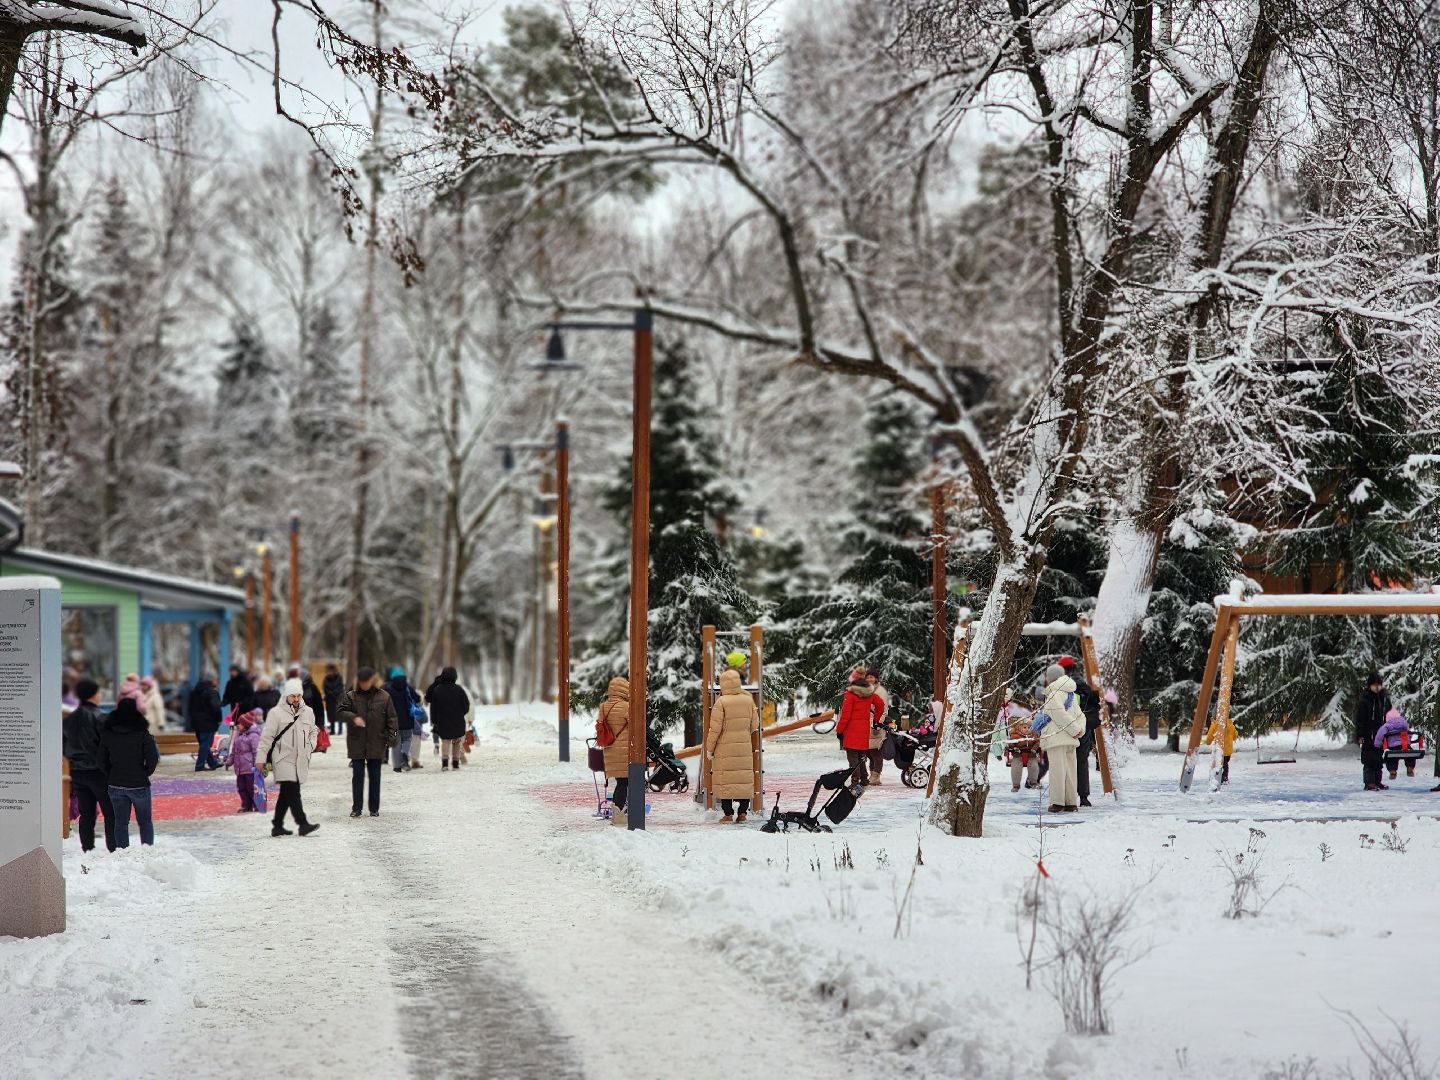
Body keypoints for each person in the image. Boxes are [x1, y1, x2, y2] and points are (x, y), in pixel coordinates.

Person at [255, 678, 320, 837]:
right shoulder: (275, 713)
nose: (296, 699)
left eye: (298, 695)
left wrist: (310, 745)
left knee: (286, 793)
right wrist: (260, 758)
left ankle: (277, 826)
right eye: (293, 696)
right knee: (293, 790)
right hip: (282, 758)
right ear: (286, 695)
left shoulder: (308, 712)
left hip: (300, 758)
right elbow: (267, 738)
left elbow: (313, 731)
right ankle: (303, 824)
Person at [97, 696, 160, 848]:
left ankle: (123, 853)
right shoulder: (143, 734)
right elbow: (153, 758)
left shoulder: (108, 735)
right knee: (145, 821)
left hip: (116, 784)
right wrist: (145, 772)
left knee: (120, 822)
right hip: (139, 784)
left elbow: (101, 760)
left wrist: (110, 774)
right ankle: (147, 850)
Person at [63, 678, 116, 853]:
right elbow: (109, 745)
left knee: (86, 813)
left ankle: (87, 847)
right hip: (99, 772)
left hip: (77, 771)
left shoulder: (69, 720)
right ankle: (113, 847)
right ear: (94, 695)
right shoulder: (101, 717)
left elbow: (64, 745)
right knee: (110, 812)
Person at [339, 667, 399, 817]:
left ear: (373, 680)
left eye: (366, 681)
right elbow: (340, 712)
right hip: (356, 741)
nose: (364, 684)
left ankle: (374, 808)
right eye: (361, 682)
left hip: (376, 741)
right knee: (358, 774)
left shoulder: (384, 697)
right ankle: (356, 808)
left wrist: (392, 738)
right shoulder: (351, 696)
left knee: (375, 776)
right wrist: (353, 717)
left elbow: (392, 719)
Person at [706, 667, 760, 823]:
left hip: (724, 748)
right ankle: (743, 813)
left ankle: (728, 814)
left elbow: (714, 729)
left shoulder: (721, 702)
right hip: (743, 746)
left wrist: (710, 749)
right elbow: (754, 724)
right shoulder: (748, 700)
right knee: (742, 779)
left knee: (726, 781)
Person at [1036, 664, 1085, 813]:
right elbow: (1080, 715)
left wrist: (1074, 729)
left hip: (1056, 737)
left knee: (1057, 770)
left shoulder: (1053, 693)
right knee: (1070, 770)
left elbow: (1057, 714)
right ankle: (1071, 802)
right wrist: (1079, 730)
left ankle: (1057, 802)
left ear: (1050, 677)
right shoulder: (1069, 693)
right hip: (1070, 738)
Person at [1057, 656, 1102, 807]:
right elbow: (1095, 703)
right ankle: (1083, 796)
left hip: (1066, 727)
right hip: (1084, 726)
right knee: (1081, 761)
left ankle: (1064, 796)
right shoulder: (1084, 684)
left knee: (1063, 761)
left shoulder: (1063, 686)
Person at [836, 670, 885, 786]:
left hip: (851, 730)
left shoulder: (850, 695)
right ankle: (864, 778)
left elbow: (845, 715)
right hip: (863, 729)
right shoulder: (870, 694)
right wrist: (876, 720)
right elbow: (881, 705)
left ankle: (855, 781)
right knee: (861, 755)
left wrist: (839, 730)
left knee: (852, 757)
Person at [599, 676, 631, 826]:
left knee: (621, 782)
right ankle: (618, 814)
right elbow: (635, 725)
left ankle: (618, 812)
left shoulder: (603, 706)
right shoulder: (626, 706)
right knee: (625, 782)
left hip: (610, 749)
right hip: (624, 750)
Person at [425, 667, 471, 771]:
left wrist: (435, 720)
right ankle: (455, 763)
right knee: (456, 741)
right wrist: (461, 714)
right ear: (455, 677)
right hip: (457, 720)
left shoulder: (437, 689)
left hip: (443, 721)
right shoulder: (459, 689)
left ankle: (445, 763)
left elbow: (433, 707)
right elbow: (466, 705)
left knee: (445, 741)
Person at [1355, 672, 1391, 792]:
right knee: (1369, 759)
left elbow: (1389, 713)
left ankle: (1377, 781)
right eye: (1374, 685)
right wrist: (1360, 734)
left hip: (1381, 733)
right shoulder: (1365, 700)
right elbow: (1360, 719)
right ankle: (1369, 782)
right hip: (1368, 733)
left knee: (1378, 758)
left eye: (1378, 685)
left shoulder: (1384, 699)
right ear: (1369, 685)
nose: (1376, 687)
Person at [1000, 690, 1041, 792]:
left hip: (1030, 753)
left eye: (1028, 727)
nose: (1027, 729)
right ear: (1019, 728)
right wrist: (1014, 749)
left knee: (1034, 766)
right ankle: (1016, 785)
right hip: (1017, 754)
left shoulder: (1033, 735)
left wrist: (1034, 750)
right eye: (1024, 727)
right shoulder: (1015, 735)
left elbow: (1037, 742)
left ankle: (1033, 782)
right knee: (1016, 766)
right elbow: (1011, 743)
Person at [386, 666, 422, 771]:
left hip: (394, 724)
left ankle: (397, 767)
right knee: (407, 740)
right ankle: (405, 759)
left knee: (396, 742)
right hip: (408, 722)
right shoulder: (408, 687)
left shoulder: (389, 689)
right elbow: (418, 698)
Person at [187, 674, 223, 771]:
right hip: (208, 722)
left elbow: (189, 708)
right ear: (212, 681)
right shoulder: (212, 693)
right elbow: (216, 708)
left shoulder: (194, 692)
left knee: (204, 743)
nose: (217, 681)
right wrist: (219, 719)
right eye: (216, 679)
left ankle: (213, 763)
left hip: (196, 722)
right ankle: (200, 765)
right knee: (206, 744)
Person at [229, 709, 263, 812]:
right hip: (240, 768)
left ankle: (257, 804)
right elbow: (234, 751)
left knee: (251, 788)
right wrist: (229, 760)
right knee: (241, 788)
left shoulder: (254, 736)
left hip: (250, 768)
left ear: (246, 725)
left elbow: (256, 752)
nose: (238, 725)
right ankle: (246, 805)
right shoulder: (238, 735)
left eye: (240, 723)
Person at [865, 669, 891, 784]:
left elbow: (883, 710)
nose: (869, 679)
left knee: (876, 751)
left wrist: (878, 723)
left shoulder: (880, 691)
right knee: (869, 752)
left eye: (872, 677)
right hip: (867, 724)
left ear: (876, 678)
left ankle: (876, 775)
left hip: (876, 724)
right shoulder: (867, 690)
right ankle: (872, 774)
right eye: (868, 677)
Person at [1375, 706, 1415, 781]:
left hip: (1393, 747)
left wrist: (1377, 744)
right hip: (1405, 746)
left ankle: (1392, 770)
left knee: (1390, 757)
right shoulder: (1404, 722)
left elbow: (1380, 735)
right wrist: (1408, 740)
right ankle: (1410, 767)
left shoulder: (1386, 725)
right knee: (1410, 755)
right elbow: (1409, 733)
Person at [1204, 713, 1238, 785]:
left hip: (1219, 749)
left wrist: (1207, 742)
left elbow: (1210, 736)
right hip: (1228, 750)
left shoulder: (1215, 724)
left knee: (1218, 763)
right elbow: (1235, 736)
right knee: (1225, 763)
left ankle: (1216, 776)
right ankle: (1225, 777)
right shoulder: (1231, 725)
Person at [322, 662, 346, 736]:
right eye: (328, 671)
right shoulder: (326, 679)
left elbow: (340, 687)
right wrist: (330, 693)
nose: (329, 672)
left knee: (339, 714)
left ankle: (340, 729)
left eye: (331, 671)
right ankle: (332, 730)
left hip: (338, 698)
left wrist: (334, 692)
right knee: (331, 715)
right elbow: (325, 687)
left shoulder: (339, 677)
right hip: (330, 699)